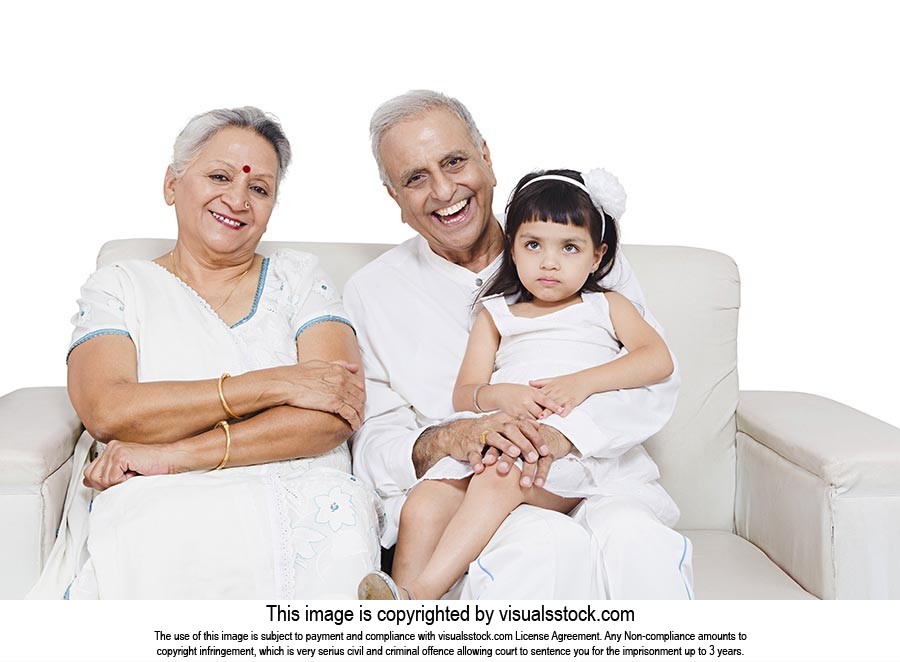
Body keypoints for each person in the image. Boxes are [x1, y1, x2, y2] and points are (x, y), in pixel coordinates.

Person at [344, 90, 693, 599]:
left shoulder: (580, 257)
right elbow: (375, 438)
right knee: (489, 525)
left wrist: (565, 435)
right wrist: (449, 438)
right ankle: (400, 618)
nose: (443, 190)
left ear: (486, 157)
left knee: (627, 539)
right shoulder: (371, 293)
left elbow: (653, 378)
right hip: (472, 479)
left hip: (588, 466)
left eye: (454, 161)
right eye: (415, 178)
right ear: (393, 197)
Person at [29, 107, 382, 599]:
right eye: (219, 176)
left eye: (259, 188)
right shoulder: (118, 288)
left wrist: (172, 454)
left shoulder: (299, 279)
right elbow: (109, 411)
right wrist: (276, 383)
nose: (237, 200)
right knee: (154, 533)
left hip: (295, 487)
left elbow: (334, 413)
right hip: (156, 496)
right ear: (172, 184)